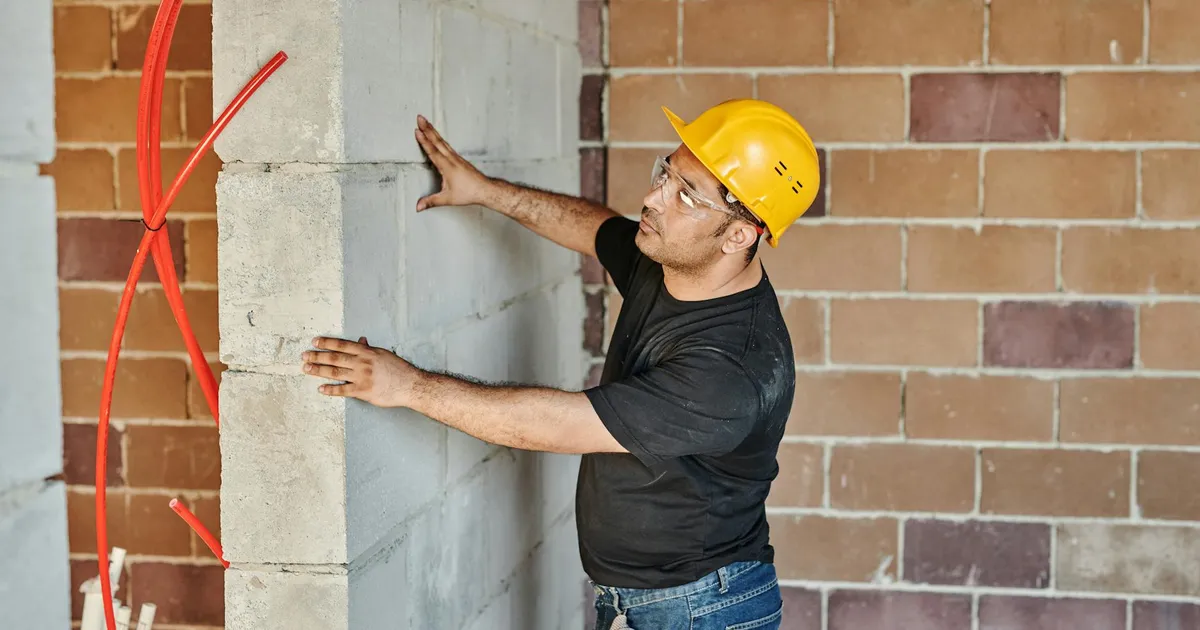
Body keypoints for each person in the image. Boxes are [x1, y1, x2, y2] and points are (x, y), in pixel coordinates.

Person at [300, 98, 822, 629]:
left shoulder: (731, 371)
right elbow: (596, 230)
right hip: (655, 599)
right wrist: (487, 192)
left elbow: (552, 424)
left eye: (685, 195)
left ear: (740, 235)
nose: (653, 198)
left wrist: (408, 387)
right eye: (666, 173)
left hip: (703, 608)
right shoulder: (672, 258)